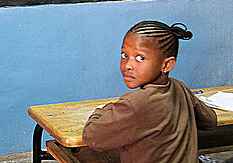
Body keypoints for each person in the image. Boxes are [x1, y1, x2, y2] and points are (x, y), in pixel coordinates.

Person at [82, 21, 217, 163]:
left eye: (140, 58)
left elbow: (91, 137)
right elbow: (210, 121)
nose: (127, 65)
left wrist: (103, 110)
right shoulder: (179, 87)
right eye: (124, 55)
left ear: (166, 64)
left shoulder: (135, 103)